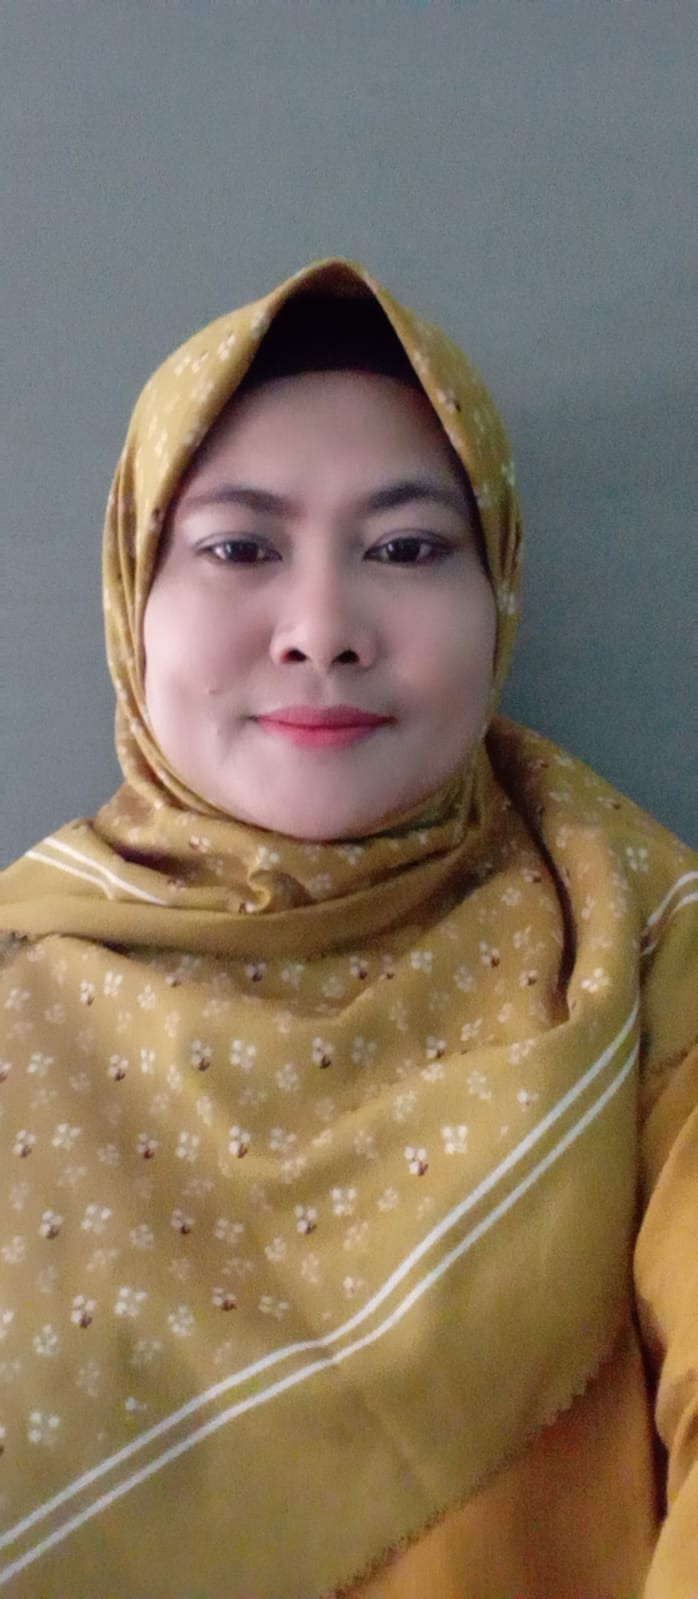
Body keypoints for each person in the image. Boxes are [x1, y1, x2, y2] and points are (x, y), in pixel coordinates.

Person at [0, 257, 695, 1599]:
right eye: (239, 548)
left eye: (407, 549)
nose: (321, 631)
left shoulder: (643, 951)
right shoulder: (20, 984)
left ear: (496, 591)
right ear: (134, 591)